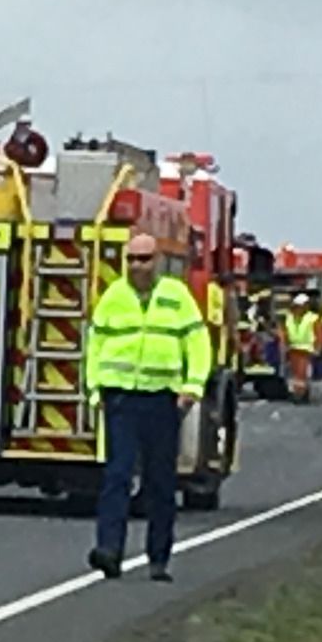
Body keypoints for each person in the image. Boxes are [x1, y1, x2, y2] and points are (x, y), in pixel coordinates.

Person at [84, 232, 211, 583]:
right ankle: (108, 550)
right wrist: (96, 390)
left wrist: (193, 387)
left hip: (162, 400)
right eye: (131, 259)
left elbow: (197, 342)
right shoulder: (114, 297)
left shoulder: (176, 296)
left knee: (160, 482)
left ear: (157, 260)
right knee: (117, 476)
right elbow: (95, 344)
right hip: (121, 398)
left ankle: (159, 558)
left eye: (144, 259)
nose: (137, 266)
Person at [281, 293, 318, 402]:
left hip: (307, 349)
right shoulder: (289, 318)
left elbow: (318, 333)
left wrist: (318, 347)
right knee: (294, 374)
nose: (298, 309)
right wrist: (285, 345)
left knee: (304, 373)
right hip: (293, 349)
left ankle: (302, 394)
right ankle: (296, 393)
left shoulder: (312, 318)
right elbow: (285, 332)